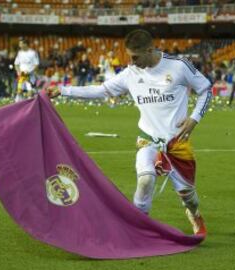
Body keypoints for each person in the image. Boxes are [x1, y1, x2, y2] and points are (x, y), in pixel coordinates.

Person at [48, 29, 212, 236]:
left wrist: (194, 118)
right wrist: (64, 90)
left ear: (149, 50)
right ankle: (137, 227)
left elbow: (206, 88)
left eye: (135, 57)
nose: (132, 62)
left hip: (176, 142)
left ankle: (194, 213)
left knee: (188, 194)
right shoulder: (131, 74)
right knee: (145, 180)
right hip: (148, 139)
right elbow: (102, 90)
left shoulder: (178, 66)